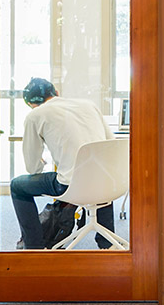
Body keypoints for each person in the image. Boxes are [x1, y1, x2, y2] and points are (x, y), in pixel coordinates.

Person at [10, 78, 118, 250]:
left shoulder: (35, 115)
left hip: (72, 185)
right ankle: (108, 244)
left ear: (31, 104)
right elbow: (111, 144)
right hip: (112, 184)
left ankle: (34, 247)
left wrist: (41, 163)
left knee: (17, 186)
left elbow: (32, 168)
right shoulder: (89, 105)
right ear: (57, 93)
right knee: (99, 173)